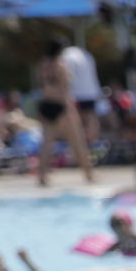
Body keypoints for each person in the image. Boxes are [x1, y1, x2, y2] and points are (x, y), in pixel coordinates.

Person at [36, 40, 94, 187]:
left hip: (46, 104)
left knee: (47, 143)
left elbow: (43, 86)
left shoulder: (43, 65)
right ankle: (88, 173)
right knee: (78, 141)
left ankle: (42, 176)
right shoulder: (60, 65)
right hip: (61, 105)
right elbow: (65, 88)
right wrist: (70, 108)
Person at [59, 41, 102, 146]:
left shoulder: (66, 55)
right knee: (90, 118)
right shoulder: (87, 54)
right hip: (91, 92)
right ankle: (92, 142)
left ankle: (81, 145)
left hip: (77, 93)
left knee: (76, 121)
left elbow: (68, 76)